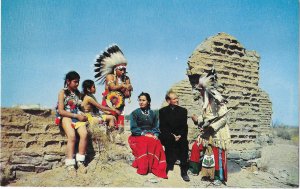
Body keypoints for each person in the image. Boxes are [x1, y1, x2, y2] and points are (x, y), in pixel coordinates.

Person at [188, 68, 231, 186]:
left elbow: (224, 118)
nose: (200, 92)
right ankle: (194, 169)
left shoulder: (218, 101)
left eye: (201, 90)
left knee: (218, 153)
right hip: (208, 132)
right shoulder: (206, 102)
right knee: (196, 146)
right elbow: (206, 116)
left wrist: (212, 127)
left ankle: (218, 177)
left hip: (218, 133)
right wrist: (198, 120)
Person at [55, 71, 88, 176]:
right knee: (72, 136)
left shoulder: (78, 93)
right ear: (68, 81)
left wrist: (83, 114)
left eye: (78, 82)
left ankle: (80, 161)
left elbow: (79, 108)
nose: (77, 84)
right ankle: (70, 164)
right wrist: (76, 116)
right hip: (66, 116)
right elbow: (61, 110)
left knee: (84, 134)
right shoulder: (62, 92)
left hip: (76, 116)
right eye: (75, 82)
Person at [94, 44, 133, 134]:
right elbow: (112, 87)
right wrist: (123, 86)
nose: (123, 71)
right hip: (108, 104)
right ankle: (109, 142)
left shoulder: (126, 79)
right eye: (121, 69)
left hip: (120, 105)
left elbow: (127, 95)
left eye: (124, 69)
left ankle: (118, 142)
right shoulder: (110, 77)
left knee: (120, 127)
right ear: (115, 69)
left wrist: (129, 90)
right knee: (110, 123)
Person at [128, 92, 168, 179]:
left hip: (151, 135)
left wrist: (156, 135)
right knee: (145, 141)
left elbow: (156, 127)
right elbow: (133, 128)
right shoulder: (135, 113)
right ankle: (144, 167)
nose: (141, 102)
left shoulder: (153, 114)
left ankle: (155, 167)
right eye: (140, 100)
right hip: (137, 135)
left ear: (148, 102)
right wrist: (144, 134)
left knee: (157, 142)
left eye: (143, 100)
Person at [159, 90, 190, 182]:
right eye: (174, 98)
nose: (177, 100)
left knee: (184, 144)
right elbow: (163, 126)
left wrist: (180, 135)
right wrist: (172, 136)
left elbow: (184, 126)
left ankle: (184, 171)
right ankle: (166, 167)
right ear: (168, 101)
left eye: (177, 98)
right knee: (168, 140)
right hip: (168, 134)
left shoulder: (183, 111)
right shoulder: (162, 111)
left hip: (180, 135)